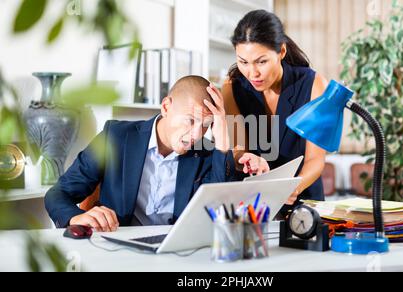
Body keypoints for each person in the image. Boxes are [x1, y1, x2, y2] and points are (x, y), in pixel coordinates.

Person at [45, 76, 267, 232]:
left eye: (206, 125)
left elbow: (221, 210)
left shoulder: (207, 153)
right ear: (166, 107)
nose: (196, 134)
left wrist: (222, 142)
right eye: (190, 120)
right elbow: (59, 193)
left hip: (177, 255)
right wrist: (76, 216)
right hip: (119, 249)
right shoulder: (116, 136)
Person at [222, 10, 328, 210]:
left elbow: (316, 159)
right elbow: (238, 149)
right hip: (254, 203)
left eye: (261, 62)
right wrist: (245, 158)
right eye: (243, 62)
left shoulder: (312, 84)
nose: (252, 73)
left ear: (281, 52)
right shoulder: (232, 87)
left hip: (302, 201)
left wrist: (292, 188)